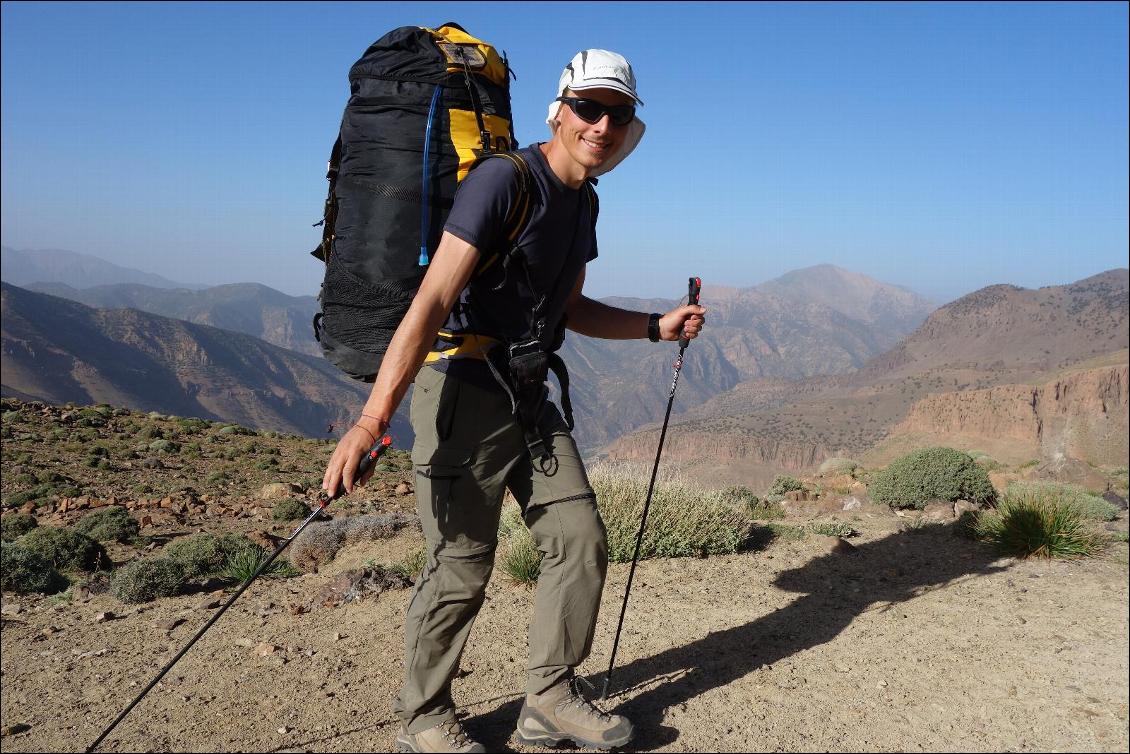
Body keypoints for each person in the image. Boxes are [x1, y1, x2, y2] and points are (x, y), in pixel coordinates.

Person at [322, 49, 706, 753]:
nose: (603, 124)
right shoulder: (503, 181)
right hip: (461, 390)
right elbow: (434, 298)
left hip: (527, 393)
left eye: (618, 113)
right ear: (559, 111)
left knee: (580, 539)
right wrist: (372, 419)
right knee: (462, 563)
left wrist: (655, 326)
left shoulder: (584, 200)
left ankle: (549, 699)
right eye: (589, 108)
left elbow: (570, 306)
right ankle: (425, 717)